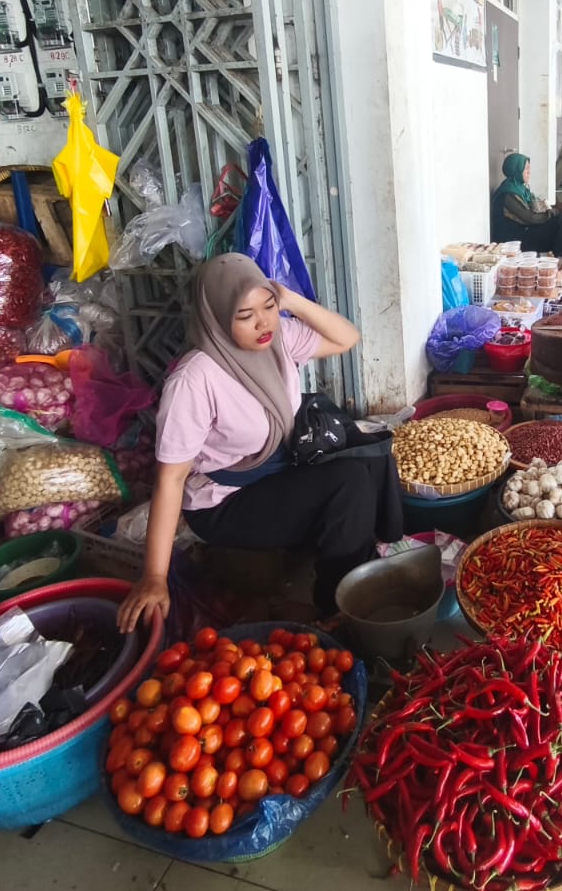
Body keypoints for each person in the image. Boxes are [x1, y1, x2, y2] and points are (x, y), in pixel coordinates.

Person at [118, 254, 381, 633]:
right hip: (225, 500)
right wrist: (154, 577)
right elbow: (170, 480)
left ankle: (359, 576)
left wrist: (289, 301)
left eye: (268, 307)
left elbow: (347, 338)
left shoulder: (278, 339)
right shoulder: (196, 379)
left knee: (366, 456)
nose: (263, 323)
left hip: (278, 469)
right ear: (218, 317)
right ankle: (338, 608)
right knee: (348, 484)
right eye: (245, 315)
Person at [490, 152, 562, 257]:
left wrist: (560, 211)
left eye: (529, 169)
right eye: (526, 169)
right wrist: (560, 211)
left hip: (523, 231)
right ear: (516, 170)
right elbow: (531, 218)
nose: (529, 172)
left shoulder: (520, 189)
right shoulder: (507, 193)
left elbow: (537, 209)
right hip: (512, 240)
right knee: (561, 221)